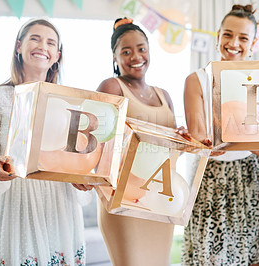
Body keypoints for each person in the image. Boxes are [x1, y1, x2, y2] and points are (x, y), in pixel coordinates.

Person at [0, 18, 91, 265]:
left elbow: (78, 155)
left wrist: (83, 177)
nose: (42, 46)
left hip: (60, 203)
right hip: (18, 202)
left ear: (57, 55)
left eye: (50, 42)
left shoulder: (69, 100)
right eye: (35, 38)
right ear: (18, 46)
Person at [182, 5, 259, 266]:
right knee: (212, 257)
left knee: (254, 255)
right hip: (211, 178)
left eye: (243, 38)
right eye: (228, 34)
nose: (234, 43)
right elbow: (201, 139)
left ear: (254, 43)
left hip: (251, 175)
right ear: (217, 36)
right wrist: (249, 143)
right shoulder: (197, 81)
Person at [96, 18, 178, 266]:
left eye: (142, 48)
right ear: (115, 57)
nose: (136, 56)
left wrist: (183, 140)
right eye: (126, 51)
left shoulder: (164, 95)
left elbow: (171, 151)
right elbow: (98, 142)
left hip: (161, 198)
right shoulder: (112, 87)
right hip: (125, 201)